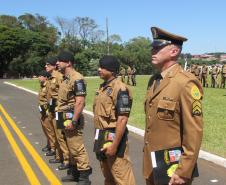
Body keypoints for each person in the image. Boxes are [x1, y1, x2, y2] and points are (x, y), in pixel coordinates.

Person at [143, 27, 203, 185]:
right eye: (152, 47)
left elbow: (193, 132)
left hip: (172, 167)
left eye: (157, 47)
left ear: (174, 51)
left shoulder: (185, 83)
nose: (152, 51)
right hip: (152, 163)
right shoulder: (154, 81)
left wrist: (184, 171)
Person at [93, 55, 136, 185]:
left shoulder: (120, 89)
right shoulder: (102, 87)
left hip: (113, 139)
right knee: (108, 176)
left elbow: (122, 119)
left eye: (102, 67)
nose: (99, 69)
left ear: (111, 70)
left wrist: (115, 145)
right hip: (102, 137)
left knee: (121, 176)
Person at [56, 51, 92, 184]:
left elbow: (80, 102)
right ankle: (74, 172)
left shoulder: (77, 78)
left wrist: (74, 120)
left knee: (76, 147)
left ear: (69, 63)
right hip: (63, 117)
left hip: (72, 117)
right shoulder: (65, 78)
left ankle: (84, 176)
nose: (57, 63)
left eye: (60, 60)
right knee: (69, 147)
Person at [45, 57, 70, 170]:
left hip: (58, 109)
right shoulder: (50, 77)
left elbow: (62, 94)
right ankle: (58, 156)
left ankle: (66, 160)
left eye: (48, 64)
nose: (45, 66)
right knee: (54, 134)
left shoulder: (59, 76)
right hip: (51, 108)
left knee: (60, 136)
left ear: (54, 66)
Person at [38, 70, 55, 153]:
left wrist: (49, 111)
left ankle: (53, 148)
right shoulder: (42, 85)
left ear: (45, 77)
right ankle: (49, 144)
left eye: (40, 76)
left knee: (50, 131)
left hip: (47, 112)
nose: (39, 78)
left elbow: (50, 99)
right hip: (43, 111)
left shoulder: (48, 86)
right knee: (45, 130)